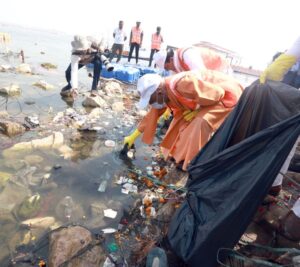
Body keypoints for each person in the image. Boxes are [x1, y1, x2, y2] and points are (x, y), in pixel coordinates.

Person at [123, 71, 243, 170]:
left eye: (151, 100)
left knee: (200, 122)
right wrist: (133, 136)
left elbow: (218, 94)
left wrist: (197, 110)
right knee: (178, 120)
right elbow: (151, 116)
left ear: (159, 92)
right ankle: (175, 155)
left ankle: (192, 163)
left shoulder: (183, 84)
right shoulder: (162, 94)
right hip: (205, 98)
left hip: (226, 95)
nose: (151, 104)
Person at [153, 46, 230, 73]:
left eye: (167, 68)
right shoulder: (176, 65)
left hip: (221, 69)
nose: (169, 70)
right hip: (210, 74)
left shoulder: (187, 54)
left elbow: (202, 75)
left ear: (170, 59)